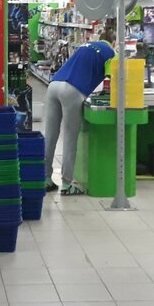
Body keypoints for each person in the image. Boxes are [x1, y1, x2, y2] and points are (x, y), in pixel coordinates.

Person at [44, 39, 116, 195]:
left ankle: (45, 179)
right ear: (113, 43)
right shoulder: (111, 54)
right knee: (70, 137)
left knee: (50, 135)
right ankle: (66, 184)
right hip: (73, 90)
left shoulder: (85, 46)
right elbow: (111, 79)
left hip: (54, 85)